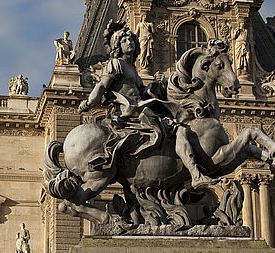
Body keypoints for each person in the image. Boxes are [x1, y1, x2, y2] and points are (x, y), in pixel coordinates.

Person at [78, 20, 213, 188]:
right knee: (178, 129)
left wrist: (156, 84)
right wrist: (90, 102)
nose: (130, 43)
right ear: (117, 46)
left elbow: (143, 92)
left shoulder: (132, 69)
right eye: (125, 41)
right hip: (130, 111)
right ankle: (195, 174)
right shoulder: (116, 64)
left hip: (140, 107)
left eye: (131, 40)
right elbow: (101, 86)